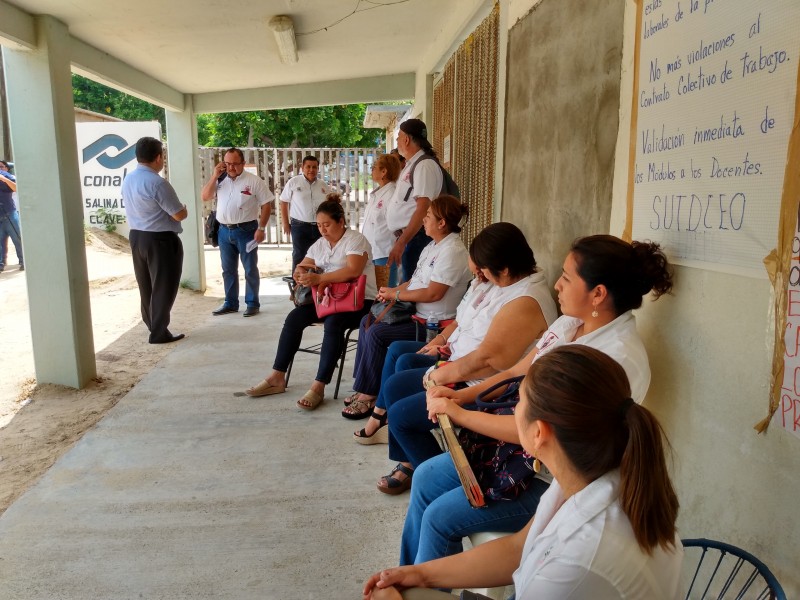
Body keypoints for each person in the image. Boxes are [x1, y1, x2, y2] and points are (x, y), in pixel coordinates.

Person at [403, 234, 674, 565]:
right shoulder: (572, 323)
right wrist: (458, 395)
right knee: (425, 477)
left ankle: (420, 582)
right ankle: (407, 582)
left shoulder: (614, 359)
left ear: (598, 294)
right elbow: (517, 372)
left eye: (566, 277)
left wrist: (457, 412)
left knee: (439, 520)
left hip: (546, 478)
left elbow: (539, 434)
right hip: (511, 453)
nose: (557, 285)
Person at [362, 345, 683, 600]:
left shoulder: (576, 560)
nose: (510, 413)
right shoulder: (588, 478)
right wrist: (421, 574)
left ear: (538, 434)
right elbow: (519, 548)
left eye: (517, 406)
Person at [370, 223, 559, 495]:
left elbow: (488, 361)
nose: (559, 285)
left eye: (482, 271)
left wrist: (438, 375)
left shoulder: (525, 300)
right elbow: (466, 326)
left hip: (490, 391)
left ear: (503, 269)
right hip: (470, 372)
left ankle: (442, 486)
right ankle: (413, 463)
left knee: (401, 416)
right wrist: (440, 357)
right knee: (395, 386)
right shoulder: (505, 281)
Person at [342, 195, 473, 419]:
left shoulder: (452, 251)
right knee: (367, 321)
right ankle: (366, 388)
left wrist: (398, 293)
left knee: (377, 333)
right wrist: (391, 292)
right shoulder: (432, 246)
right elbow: (414, 281)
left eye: (429, 216)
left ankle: (368, 395)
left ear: (442, 223)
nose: (423, 219)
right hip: (417, 316)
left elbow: (434, 293)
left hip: (435, 325)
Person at [245, 196, 377, 410]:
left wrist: (320, 279)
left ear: (340, 221)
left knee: (334, 323)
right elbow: (304, 264)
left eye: (327, 224)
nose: (323, 230)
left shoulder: (355, 240)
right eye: (319, 225)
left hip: (359, 302)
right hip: (329, 301)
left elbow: (353, 270)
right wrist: (300, 273)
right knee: (294, 318)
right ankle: (277, 376)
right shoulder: (320, 244)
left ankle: (319, 385)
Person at [121, 137, 188, 344]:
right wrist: (183, 208)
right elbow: (178, 214)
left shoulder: (129, 179)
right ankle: (159, 332)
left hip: (137, 236)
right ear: (159, 157)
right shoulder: (157, 182)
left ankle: (152, 325)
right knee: (163, 286)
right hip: (160, 240)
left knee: (146, 285)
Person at [202, 148, 274, 317]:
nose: (231, 167)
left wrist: (261, 228)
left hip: (247, 231)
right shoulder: (220, 180)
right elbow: (205, 196)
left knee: (249, 268)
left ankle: (252, 303)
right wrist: (214, 176)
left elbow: (266, 205)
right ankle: (230, 302)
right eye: (227, 164)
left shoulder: (254, 181)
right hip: (223, 231)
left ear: (242, 163)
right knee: (228, 269)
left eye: (235, 164)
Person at [385, 119, 442, 283]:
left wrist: (402, 242)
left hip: (416, 238)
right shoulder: (413, 164)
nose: (397, 141)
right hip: (410, 237)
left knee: (411, 290)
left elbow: (423, 208)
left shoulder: (424, 166)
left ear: (406, 139)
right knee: (406, 288)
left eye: (398, 137)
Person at [280, 155, 329, 275]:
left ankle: (315, 287)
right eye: (308, 167)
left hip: (319, 227)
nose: (311, 170)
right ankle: (297, 288)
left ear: (318, 168)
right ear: (302, 167)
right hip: (299, 226)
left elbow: (329, 203)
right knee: (299, 255)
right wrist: (286, 223)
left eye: (314, 167)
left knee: (319, 255)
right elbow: (283, 201)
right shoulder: (294, 182)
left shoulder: (323, 185)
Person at [362, 153, 402, 288]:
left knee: (384, 294)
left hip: (384, 252)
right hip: (372, 252)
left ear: (384, 171)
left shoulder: (392, 194)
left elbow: (399, 226)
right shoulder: (377, 194)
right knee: (374, 294)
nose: (372, 170)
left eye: (374, 167)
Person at [0, 160, 23, 273]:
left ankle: (23, 261)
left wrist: (3, 179)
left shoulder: (4, 175)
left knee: (17, 239)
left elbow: (16, 188)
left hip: (9, 214)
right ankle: (1, 264)